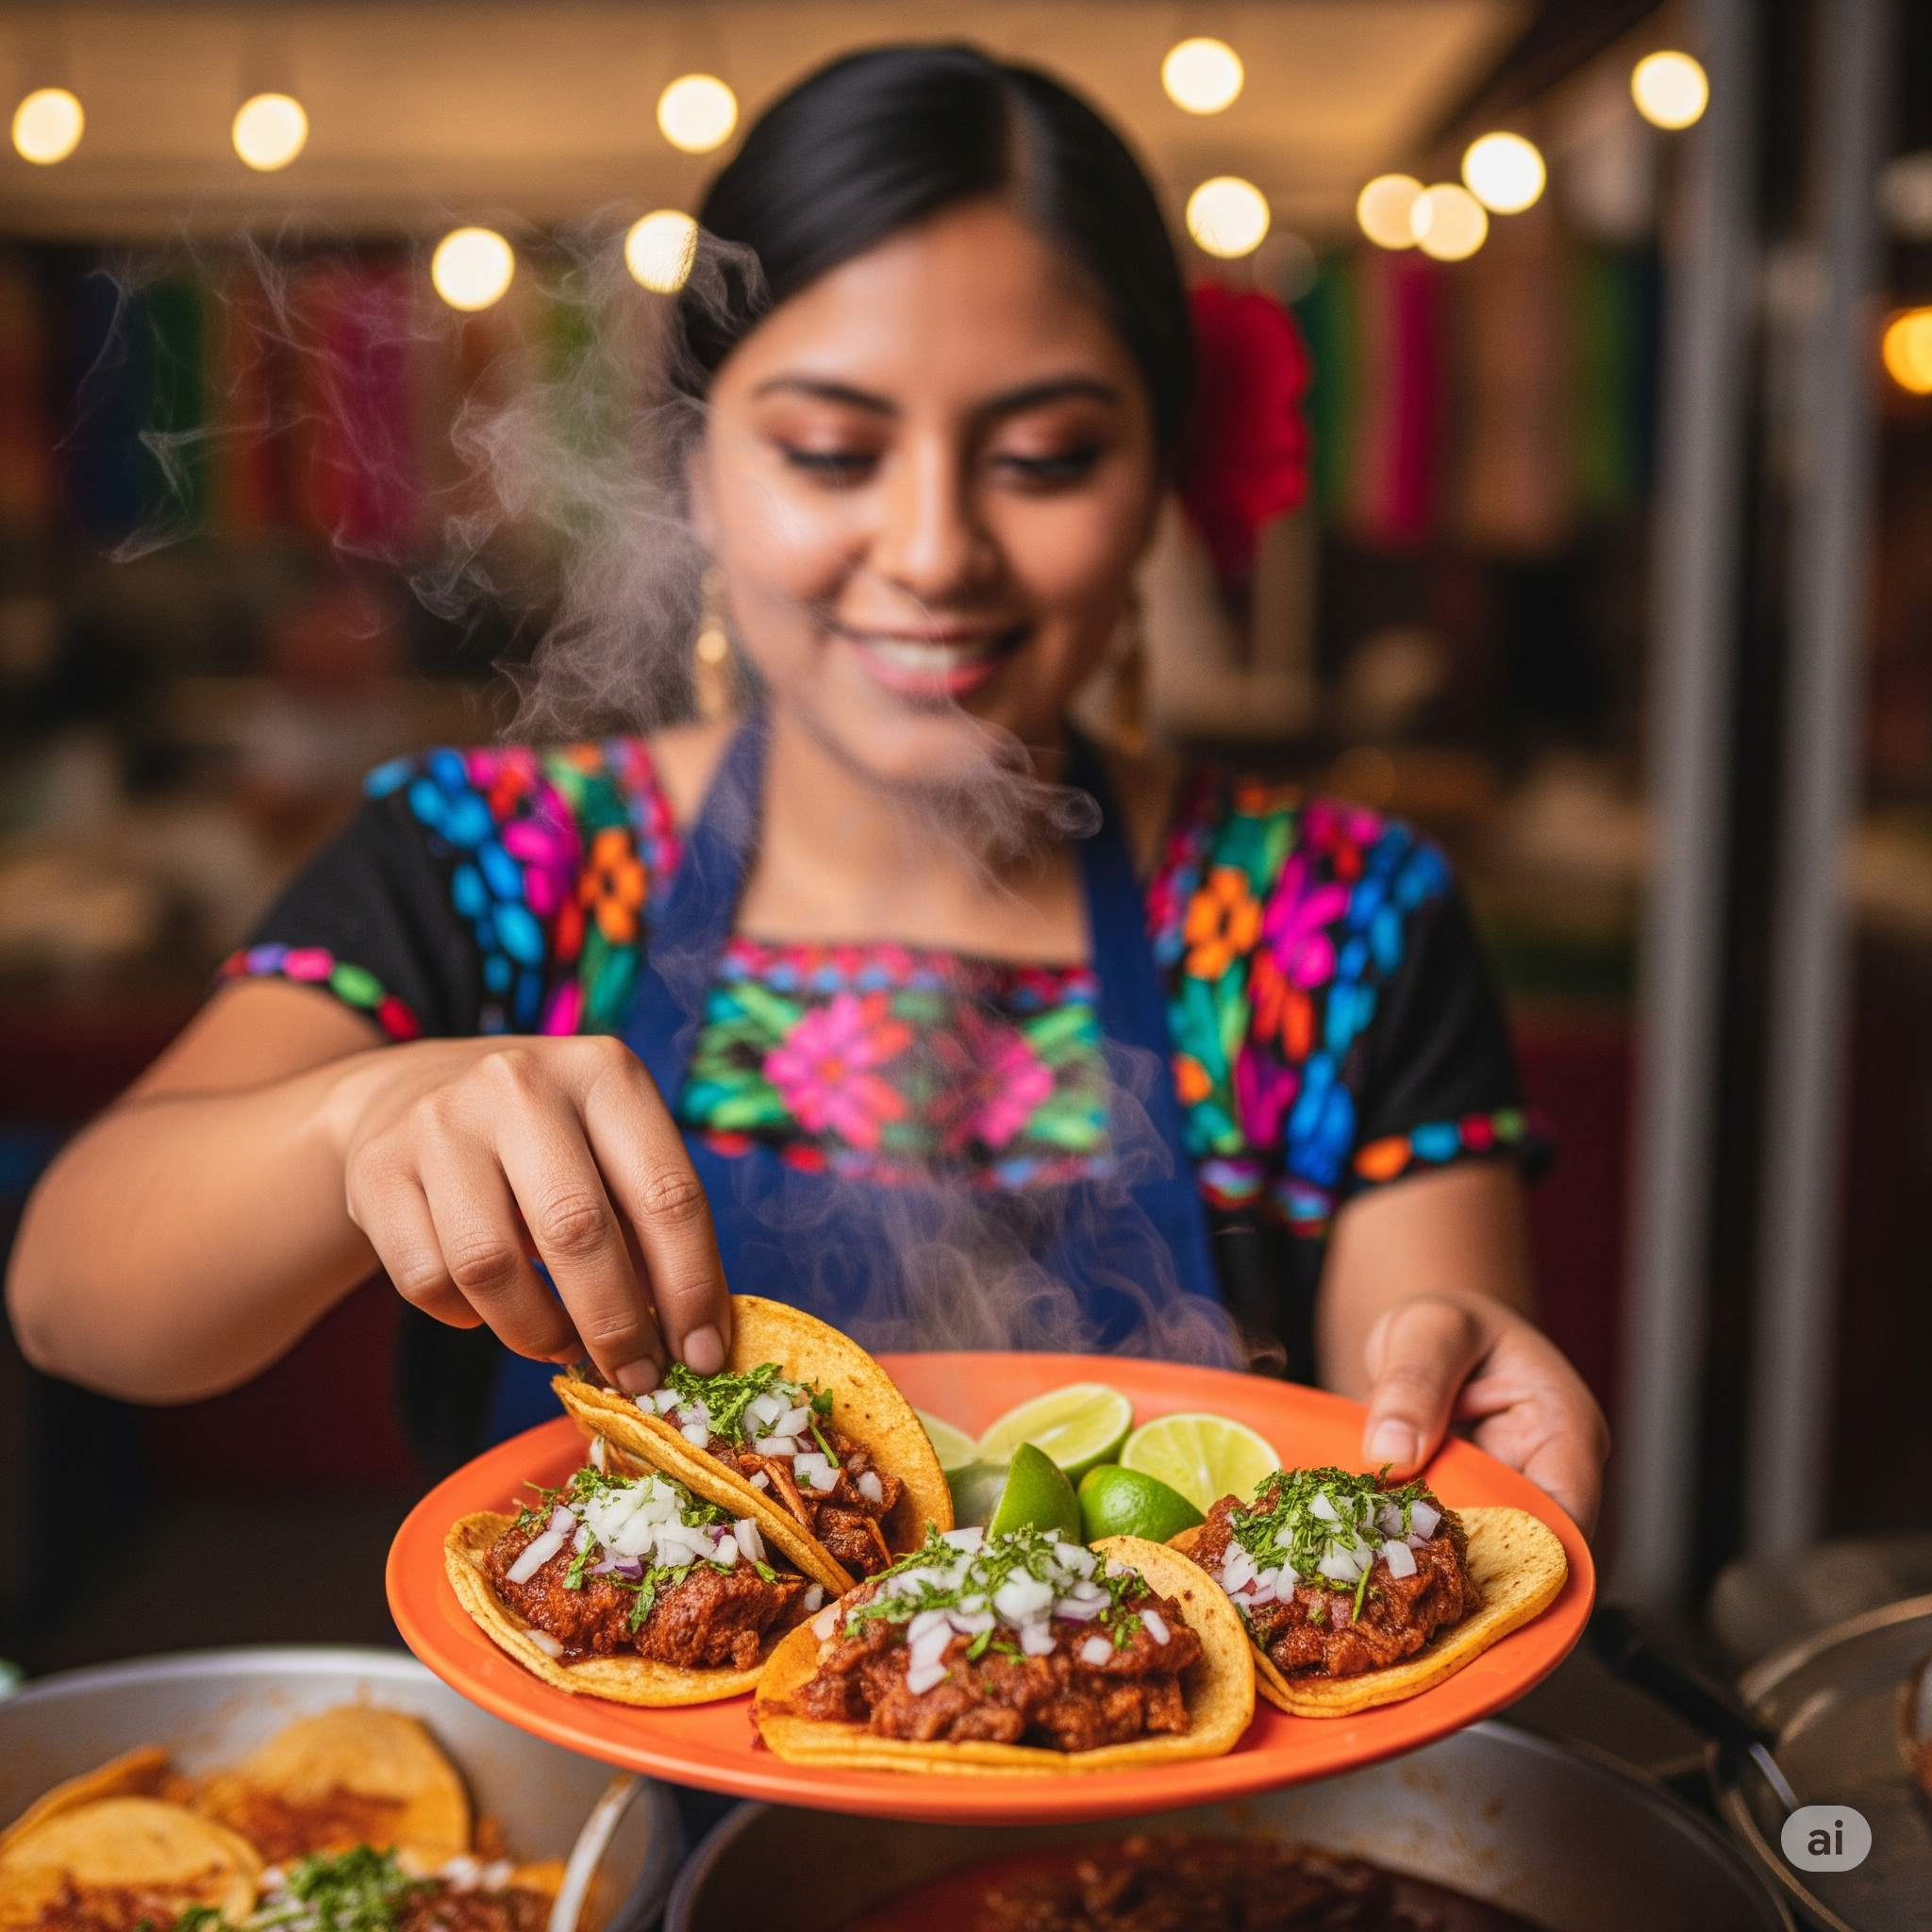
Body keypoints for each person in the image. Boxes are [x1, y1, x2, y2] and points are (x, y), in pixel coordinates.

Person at [6, 45, 1607, 1536]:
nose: (930, 552)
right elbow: (74, 1297)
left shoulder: (1336, 918)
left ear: (1157, 492)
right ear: (700, 471)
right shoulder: (491, 862)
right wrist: (361, 1116)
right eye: (833, 454)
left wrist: (1461, 1402)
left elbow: (1430, 1406)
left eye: (1042, 457)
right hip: (590, 1837)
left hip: (1151, 1836)